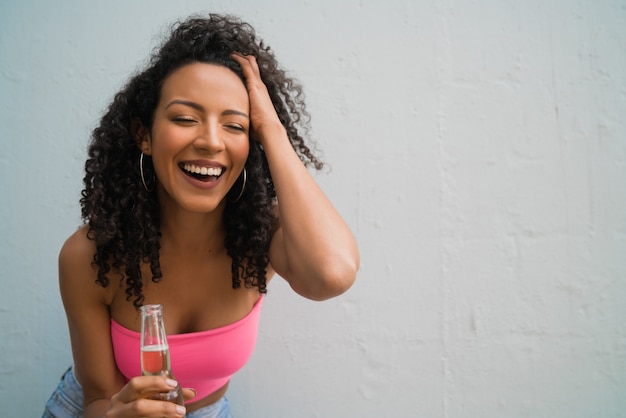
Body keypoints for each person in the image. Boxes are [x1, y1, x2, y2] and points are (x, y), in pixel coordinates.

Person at [43, 13, 359, 418]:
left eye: (235, 126)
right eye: (185, 118)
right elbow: (98, 398)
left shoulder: (263, 235)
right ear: (145, 135)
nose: (211, 141)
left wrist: (272, 131)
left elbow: (332, 274)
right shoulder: (90, 256)